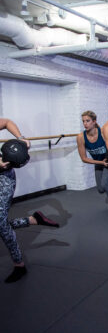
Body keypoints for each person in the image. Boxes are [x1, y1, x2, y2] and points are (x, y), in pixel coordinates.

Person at [0, 118, 59, 283]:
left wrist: (20, 137)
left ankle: (19, 265)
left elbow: (5, 122)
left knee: (0, 223)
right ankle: (33, 219)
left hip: (3, 178)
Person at [77, 111, 108, 201]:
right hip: (99, 162)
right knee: (101, 189)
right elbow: (84, 158)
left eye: (87, 121)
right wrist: (100, 162)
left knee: (105, 184)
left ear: (94, 121)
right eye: (83, 121)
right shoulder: (81, 137)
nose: (85, 124)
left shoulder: (102, 132)